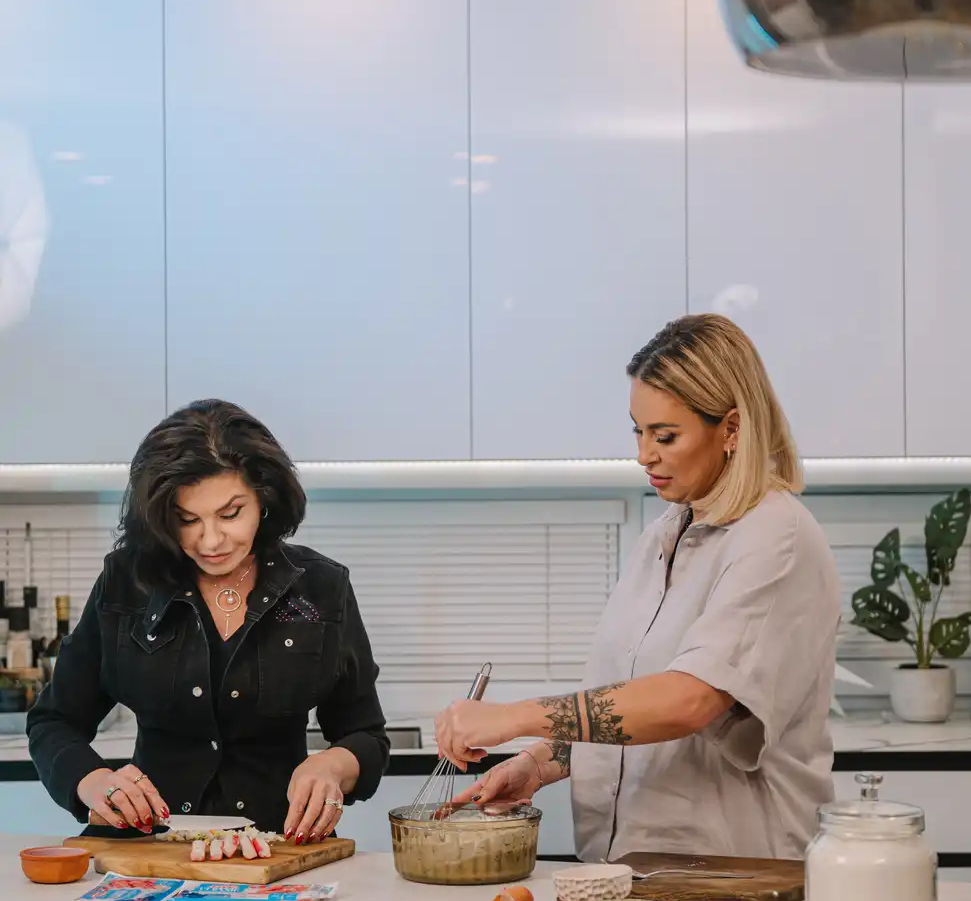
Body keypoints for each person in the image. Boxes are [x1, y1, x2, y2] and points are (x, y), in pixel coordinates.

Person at [434, 315, 840, 861]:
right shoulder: (663, 536)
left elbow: (691, 700)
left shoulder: (775, 537)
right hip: (633, 869)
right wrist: (538, 763)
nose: (644, 454)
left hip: (733, 872)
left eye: (665, 436)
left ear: (731, 429)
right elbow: (627, 703)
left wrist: (513, 716)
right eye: (639, 432)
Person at [28, 400, 389, 841]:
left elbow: (365, 735)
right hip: (147, 850)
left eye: (230, 514)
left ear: (265, 498)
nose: (211, 540)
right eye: (186, 520)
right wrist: (93, 781)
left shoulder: (321, 588)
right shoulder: (126, 583)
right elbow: (54, 722)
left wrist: (332, 766)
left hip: (278, 850)